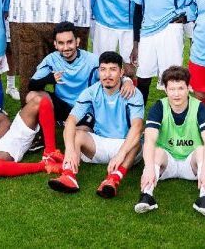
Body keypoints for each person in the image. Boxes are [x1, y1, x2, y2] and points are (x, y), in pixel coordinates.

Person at [48, 52, 144, 198]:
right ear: (98, 71)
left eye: (113, 69)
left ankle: (113, 179)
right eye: (103, 69)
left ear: (121, 72)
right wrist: (69, 150)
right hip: (99, 144)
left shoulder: (133, 93)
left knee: (137, 140)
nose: (107, 74)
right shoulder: (91, 92)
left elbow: (137, 127)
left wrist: (120, 154)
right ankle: (69, 176)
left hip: (124, 147)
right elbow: (71, 120)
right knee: (76, 133)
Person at [135, 66, 205, 218]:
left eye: (180, 88)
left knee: (203, 150)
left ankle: (204, 198)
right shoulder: (159, 107)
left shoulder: (199, 108)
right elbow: (150, 139)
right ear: (165, 90)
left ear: (188, 88)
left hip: (192, 165)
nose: (176, 94)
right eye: (172, 89)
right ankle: (147, 196)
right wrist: (149, 167)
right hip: (167, 163)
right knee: (156, 152)